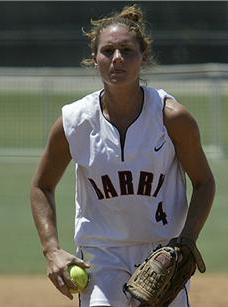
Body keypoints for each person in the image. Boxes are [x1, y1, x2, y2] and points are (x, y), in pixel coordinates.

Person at [30, 4, 215, 307]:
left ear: (143, 57)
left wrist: (186, 242)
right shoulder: (75, 121)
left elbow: (204, 182)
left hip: (163, 254)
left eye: (127, 51)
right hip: (101, 257)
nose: (117, 59)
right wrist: (51, 249)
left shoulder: (171, 117)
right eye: (108, 51)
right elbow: (41, 186)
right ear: (95, 59)